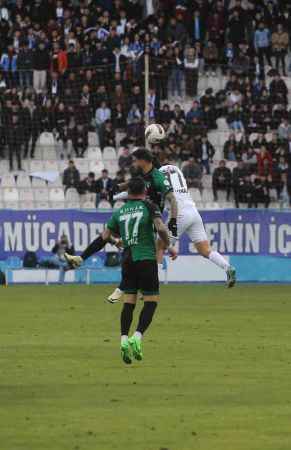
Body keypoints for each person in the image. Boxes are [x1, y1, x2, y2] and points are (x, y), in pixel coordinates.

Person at [66, 177, 175, 364]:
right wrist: (168, 244)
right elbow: (160, 227)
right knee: (151, 302)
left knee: (129, 302)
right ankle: (137, 337)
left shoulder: (120, 212)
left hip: (127, 261)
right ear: (145, 192)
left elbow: (103, 238)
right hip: (146, 259)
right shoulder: (149, 206)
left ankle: (123, 339)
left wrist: (82, 257)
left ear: (129, 193)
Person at [159, 164, 236, 287]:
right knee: (205, 250)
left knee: (158, 247)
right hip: (193, 212)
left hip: (179, 213)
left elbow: (160, 201)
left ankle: (150, 285)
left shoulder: (158, 174)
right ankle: (227, 267)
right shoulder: (177, 170)